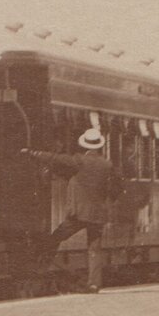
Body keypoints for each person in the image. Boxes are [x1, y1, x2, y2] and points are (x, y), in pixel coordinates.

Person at [24, 125, 116, 292]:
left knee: (55, 237)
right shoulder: (107, 165)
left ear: (85, 145)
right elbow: (116, 188)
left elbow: (56, 158)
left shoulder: (79, 160)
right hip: (97, 215)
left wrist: (33, 153)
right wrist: (104, 202)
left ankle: (39, 269)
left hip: (78, 214)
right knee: (94, 248)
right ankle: (94, 284)